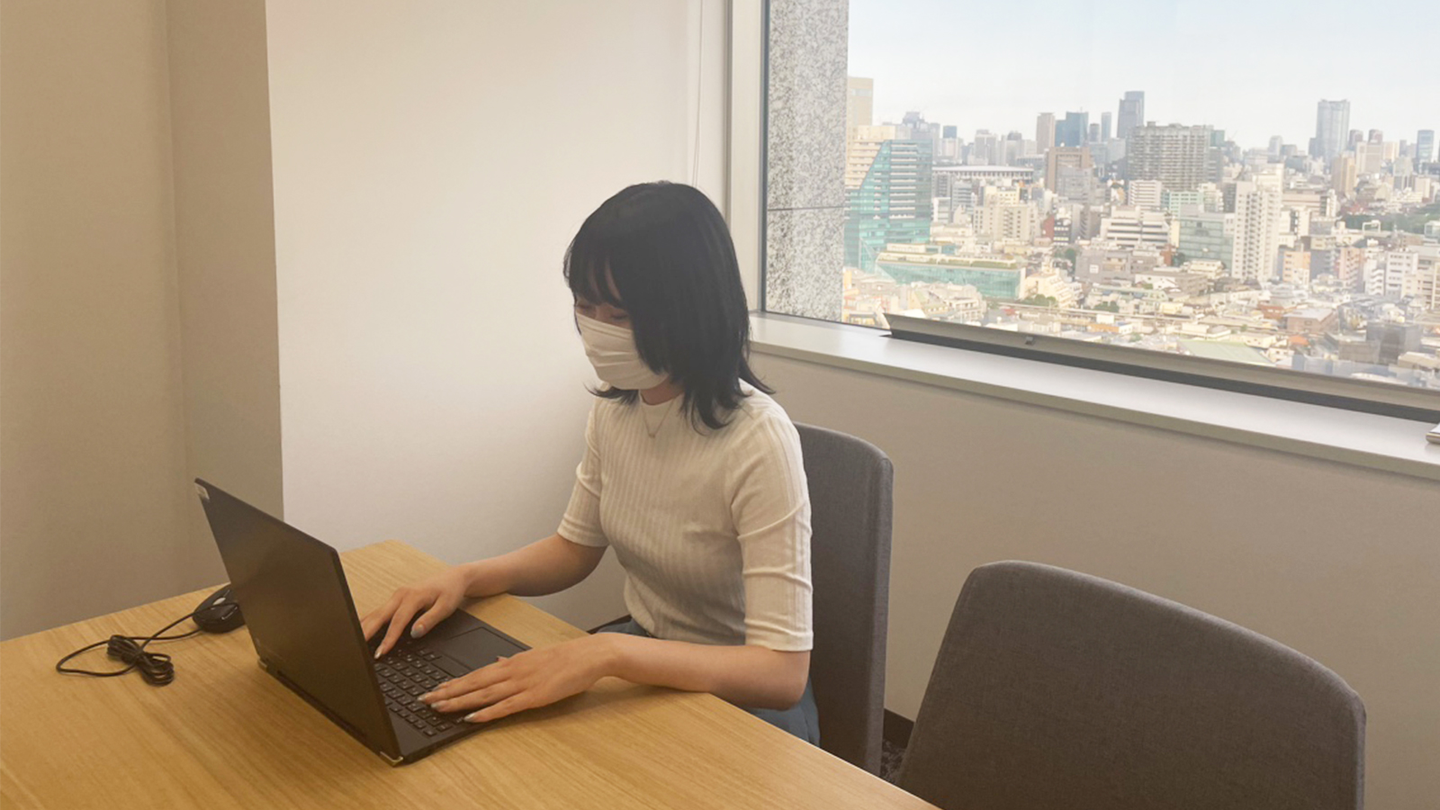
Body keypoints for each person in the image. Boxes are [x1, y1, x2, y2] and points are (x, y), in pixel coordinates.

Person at [360, 182, 817, 742]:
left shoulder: (759, 439)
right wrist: (465, 578)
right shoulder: (616, 409)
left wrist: (607, 652)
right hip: (644, 666)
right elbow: (573, 550)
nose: (597, 330)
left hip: (739, 702)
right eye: (585, 307)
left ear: (690, 312)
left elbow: (780, 673)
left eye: (620, 314)